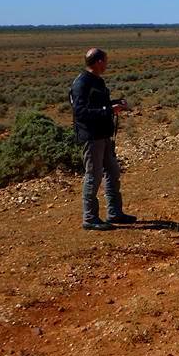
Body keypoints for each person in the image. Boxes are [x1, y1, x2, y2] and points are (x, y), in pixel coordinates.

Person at [70, 48, 136, 231]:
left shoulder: (96, 81)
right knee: (93, 176)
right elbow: (80, 113)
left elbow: (98, 105)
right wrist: (108, 110)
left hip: (104, 135)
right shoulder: (81, 83)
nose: (107, 64)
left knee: (112, 172)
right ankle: (90, 218)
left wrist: (114, 104)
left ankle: (114, 212)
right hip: (92, 137)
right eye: (105, 61)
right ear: (98, 62)